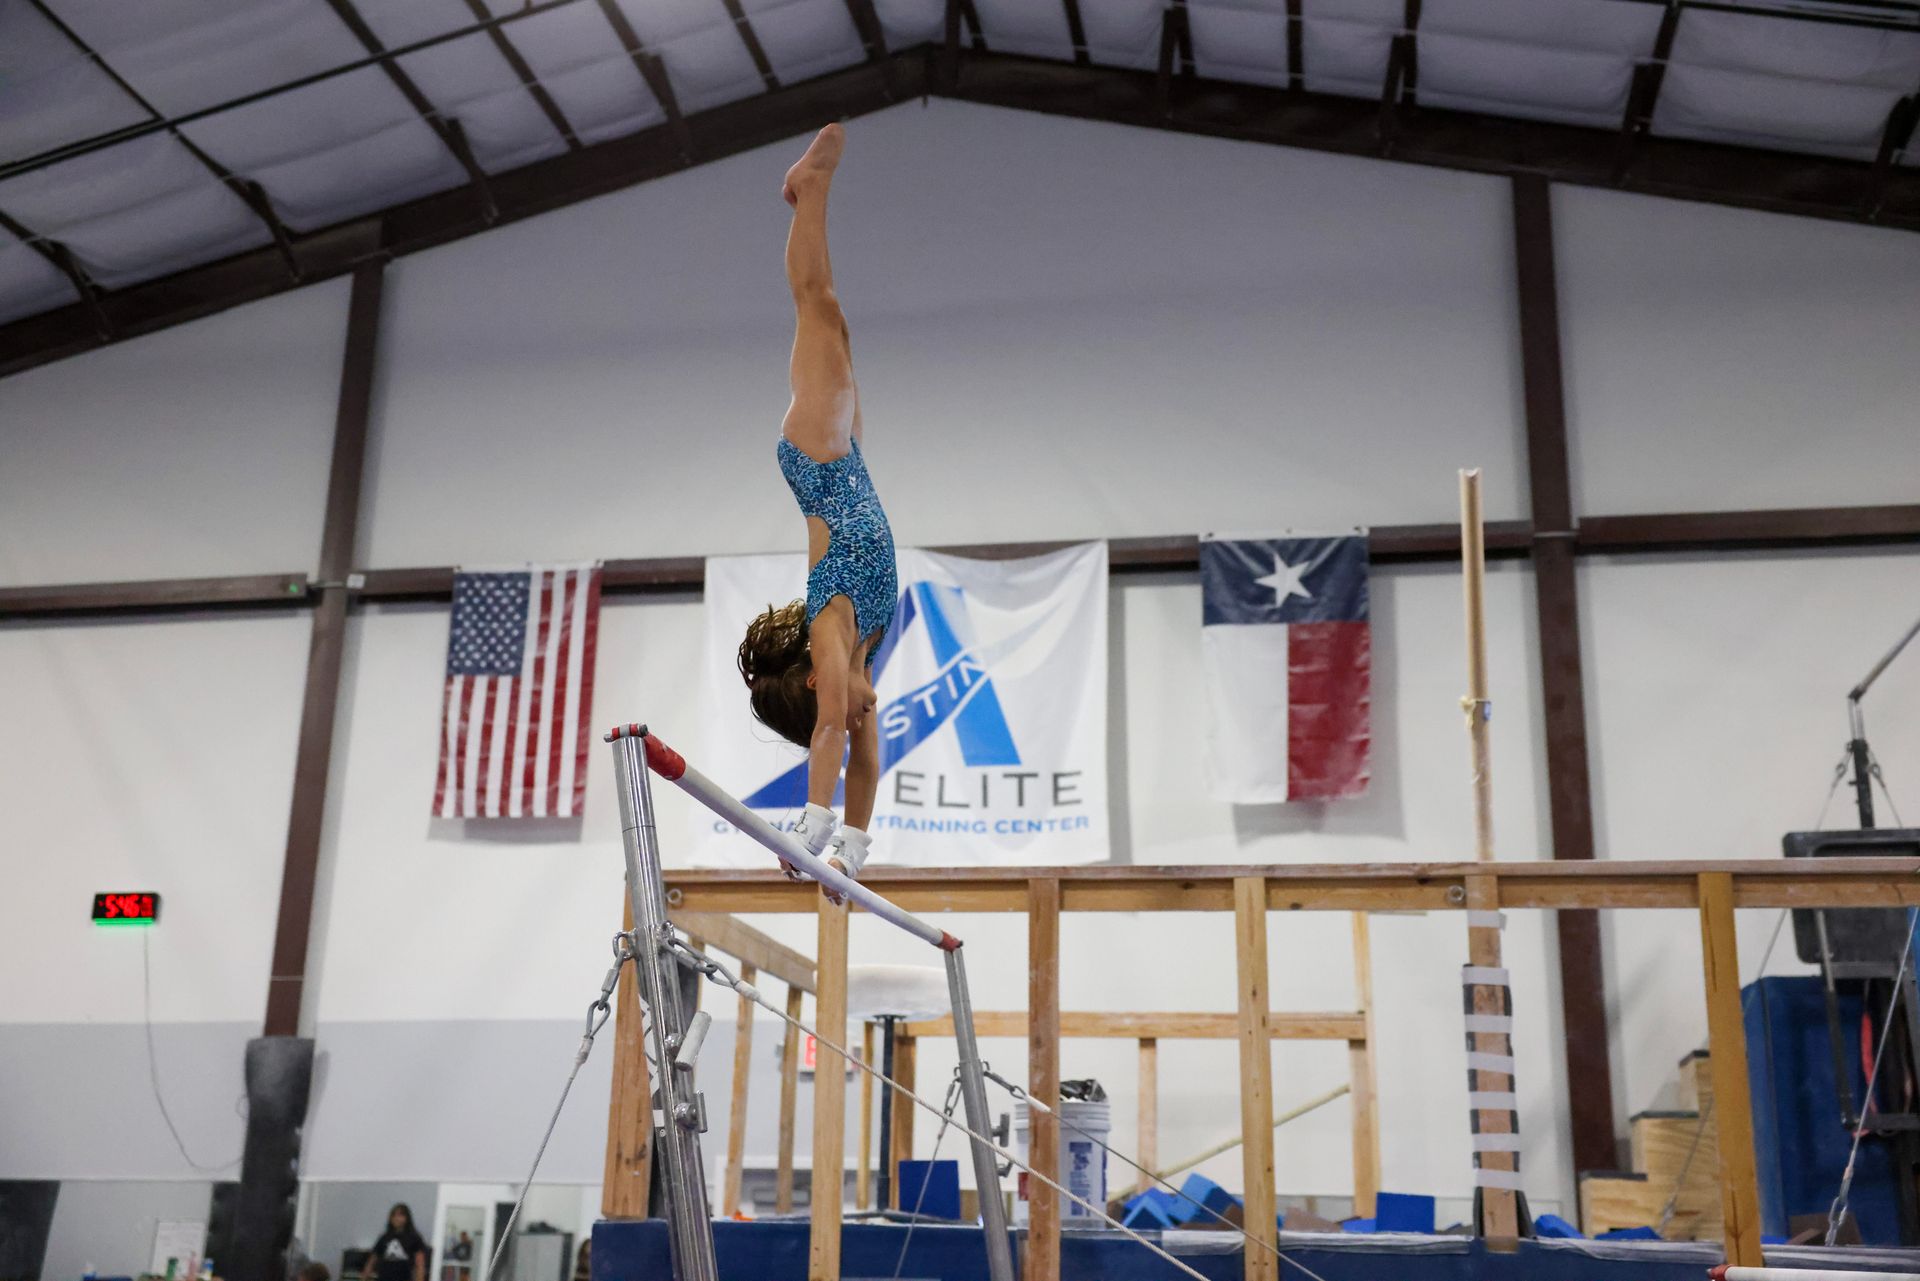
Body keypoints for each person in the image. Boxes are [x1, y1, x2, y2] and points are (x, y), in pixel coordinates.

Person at [738, 123, 896, 895]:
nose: (864, 713)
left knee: (817, 304)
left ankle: (809, 187)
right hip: (852, 458)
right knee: (837, 322)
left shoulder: (833, 632)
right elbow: (865, 755)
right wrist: (852, 852)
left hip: (820, 459)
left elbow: (834, 732)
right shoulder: (867, 649)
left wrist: (810, 827)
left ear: (812, 683)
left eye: (843, 707)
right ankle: (810, 193)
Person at [359, 1204, 428, 1281]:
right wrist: (364, 1278)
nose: (396, 1219)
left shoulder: (414, 1238)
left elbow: (420, 1265)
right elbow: (371, 1261)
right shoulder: (384, 1238)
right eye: (394, 1215)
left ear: (407, 1218)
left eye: (400, 1215)